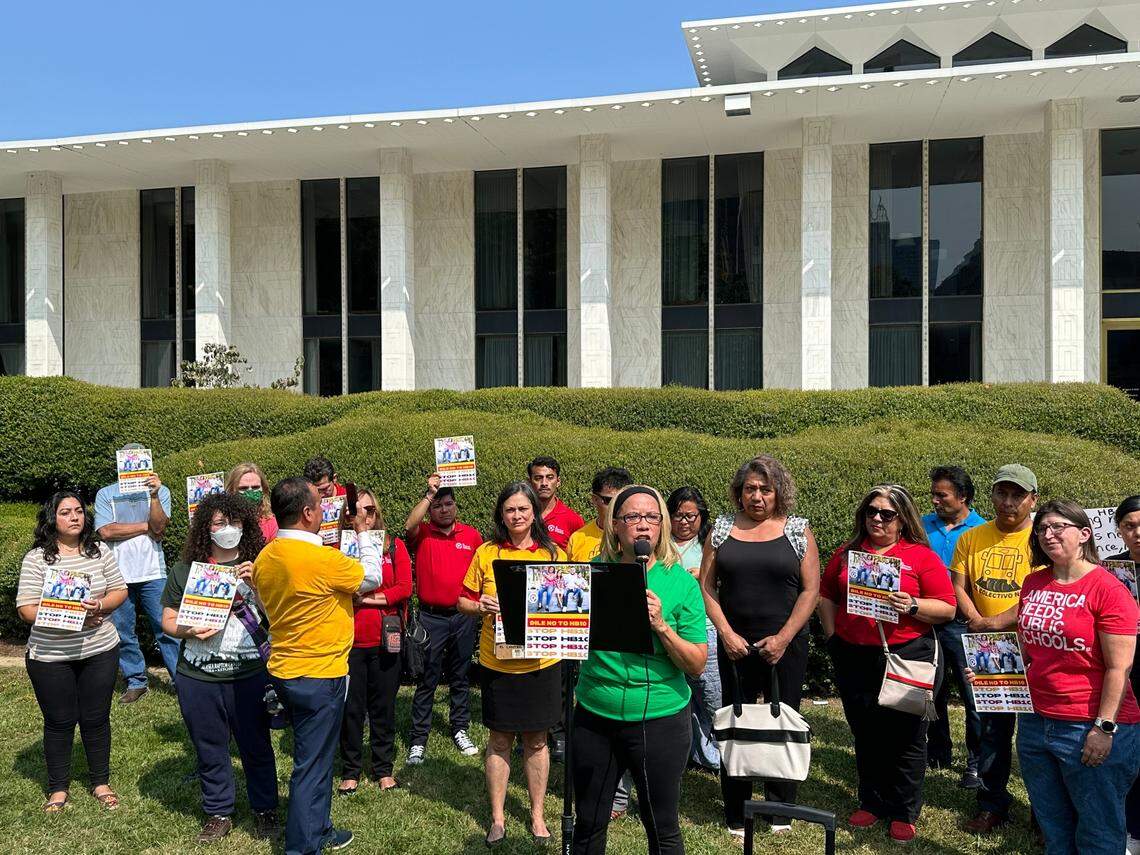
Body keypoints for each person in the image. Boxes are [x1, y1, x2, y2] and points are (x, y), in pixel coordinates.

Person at [572, 484, 708, 855]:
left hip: (661, 718)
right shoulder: (588, 577)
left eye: (652, 517)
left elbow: (696, 663)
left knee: (662, 828)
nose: (643, 525)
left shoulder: (680, 583)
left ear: (662, 526)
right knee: (588, 821)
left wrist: (662, 626)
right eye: (632, 517)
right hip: (594, 715)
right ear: (615, 525)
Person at [818, 484, 956, 844]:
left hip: (907, 655)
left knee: (907, 735)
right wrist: (833, 638)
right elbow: (827, 596)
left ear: (902, 519)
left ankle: (903, 810)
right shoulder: (847, 554)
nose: (877, 519)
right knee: (865, 731)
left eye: (886, 513)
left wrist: (912, 605)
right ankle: (872, 800)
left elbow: (947, 608)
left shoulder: (920, 557)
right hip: (854, 655)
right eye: (871, 512)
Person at [252, 477, 384, 855]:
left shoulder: (267, 557)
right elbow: (372, 577)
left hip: (284, 669)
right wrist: (363, 533)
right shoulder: (322, 560)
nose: (327, 509)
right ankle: (302, 846)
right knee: (311, 766)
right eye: (321, 505)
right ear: (308, 513)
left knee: (318, 759)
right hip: (319, 674)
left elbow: (265, 605)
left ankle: (320, 828)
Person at [1010, 500, 1140, 855]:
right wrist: (996, 671)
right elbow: (1028, 648)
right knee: (1054, 827)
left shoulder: (1109, 589)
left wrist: (1104, 727)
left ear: (1084, 534)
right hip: (1036, 723)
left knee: (1099, 834)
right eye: (1042, 529)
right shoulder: (1033, 582)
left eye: (1057, 527)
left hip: (1088, 726)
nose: (1047, 535)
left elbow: (1119, 667)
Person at [700, 456, 821, 835]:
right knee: (734, 722)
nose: (757, 496)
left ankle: (780, 807)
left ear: (778, 492)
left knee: (782, 719)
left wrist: (784, 638)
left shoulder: (798, 530)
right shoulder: (721, 529)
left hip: (785, 645)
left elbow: (811, 590)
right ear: (739, 492)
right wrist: (726, 634)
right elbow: (706, 586)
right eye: (750, 488)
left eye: (765, 489)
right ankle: (736, 809)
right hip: (734, 644)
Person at [159, 492, 279, 843]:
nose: (228, 529)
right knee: (209, 746)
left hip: (249, 674)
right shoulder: (185, 571)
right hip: (199, 675)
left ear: (247, 525)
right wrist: (187, 628)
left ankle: (265, 809)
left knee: (256, 745)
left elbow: (278, 618)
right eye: (219, 523)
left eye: (235, 521)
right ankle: (218, 811)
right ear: (205, 529)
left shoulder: (261, 565)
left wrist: (257, 587)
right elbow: (166, 617)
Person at [457, 482, 564, 846]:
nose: (517, 516)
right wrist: (480, 605)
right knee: (499, 739)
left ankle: (537, 815)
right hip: (498, 663)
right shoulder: (486, 553)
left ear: (535, 511)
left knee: (537, 741)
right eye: (510, 510)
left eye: (523, 509)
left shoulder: (554, 555)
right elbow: (462, 601)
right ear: (501, 516)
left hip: (541, 663)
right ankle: (498, 817)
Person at [16, 491, 128, 812]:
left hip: (100, 648)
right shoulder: (37, 558)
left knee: (96, 718)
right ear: (53, 519)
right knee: (59, 721)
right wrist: (68, 614)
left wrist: (100, 605)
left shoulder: (100, 551)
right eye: (66, 512)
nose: (74, 517)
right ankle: (57, 789)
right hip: (50, 655)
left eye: (78, 511)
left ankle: (100, 781)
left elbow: (119, 590)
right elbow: (26, 609)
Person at [949, 464, 1038, 834]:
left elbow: (1047, 591)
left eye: (1018, 495)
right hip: (990, 649)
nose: (1008, 502)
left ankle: (1043, 813)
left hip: (1034, 648)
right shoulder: (972, 537)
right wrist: (975, 619)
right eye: (1002, 493)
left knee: (1038, 737)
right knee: (993, 732)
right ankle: (991, 804)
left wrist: (992, 621)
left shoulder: (1042, 537)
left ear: (1033, 499)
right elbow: (958, 583)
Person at [402, 473, 484, 765]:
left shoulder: (472, 536)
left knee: (460, 675)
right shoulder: (423, 533)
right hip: (431, 617)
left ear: (455, 506)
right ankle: (418, 740)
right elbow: (409, 525)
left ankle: (460, 728)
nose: (444, 509)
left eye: (448, 504)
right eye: (438, 505)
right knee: (427, 678)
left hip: (463, 617)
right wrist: (429, 493)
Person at [338, 489, 413, 795]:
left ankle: (383, 768)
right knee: (351, 708)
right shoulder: (338, 548)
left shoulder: (393, 545)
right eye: (357, 510)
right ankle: (351, 770)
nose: (364, 516)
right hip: (348, 641)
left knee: (383, 706)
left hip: (386, 639)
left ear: (376, 512)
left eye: (368, 510)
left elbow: (403, 588)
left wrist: (364, 599)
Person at [95, 442, 179, 703]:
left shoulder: (160, 491)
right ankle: (136, 680)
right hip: (116, 574)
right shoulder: (106, 493)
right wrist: (146, 526)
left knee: (167, 628)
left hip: (153, 571)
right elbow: (106, 531)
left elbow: (160, 529)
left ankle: (181, 679)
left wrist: (153, 497)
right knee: (122, 631)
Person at [922, 465, 987, 783]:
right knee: (930, 691)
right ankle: (937, 750)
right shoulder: (922, 526)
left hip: (964, 623)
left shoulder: (982, 531)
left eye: (941, 495)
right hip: (928, 620)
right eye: (933, 494)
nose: (934, 500)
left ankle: (976, 761)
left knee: (972, 693)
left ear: (963, 497)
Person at [1108, 495, 1140, 853]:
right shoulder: (1111, 570)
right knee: (1128, 758)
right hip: (1125, 674)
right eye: (1129, 526)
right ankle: (1130, 830)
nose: (1137, 532)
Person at [567, 467, 633, 563]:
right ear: (595, 499)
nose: (616, 506)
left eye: (621, 500)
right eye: (609, 501)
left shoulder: (637, 535)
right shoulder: (577, 539)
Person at [528, 455, 585, 550]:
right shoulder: (521, 515)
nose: (544, 483)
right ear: (529, 482)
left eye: (550, 477)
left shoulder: (573, 520)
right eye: (538, 478)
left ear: (558, 481)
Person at [226, 462, 278, 542]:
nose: (250, 492)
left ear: (263, 489)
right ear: (231, 491)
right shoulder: (223, 522)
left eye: (255, 487)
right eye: (243, 488)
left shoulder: (271, 523)